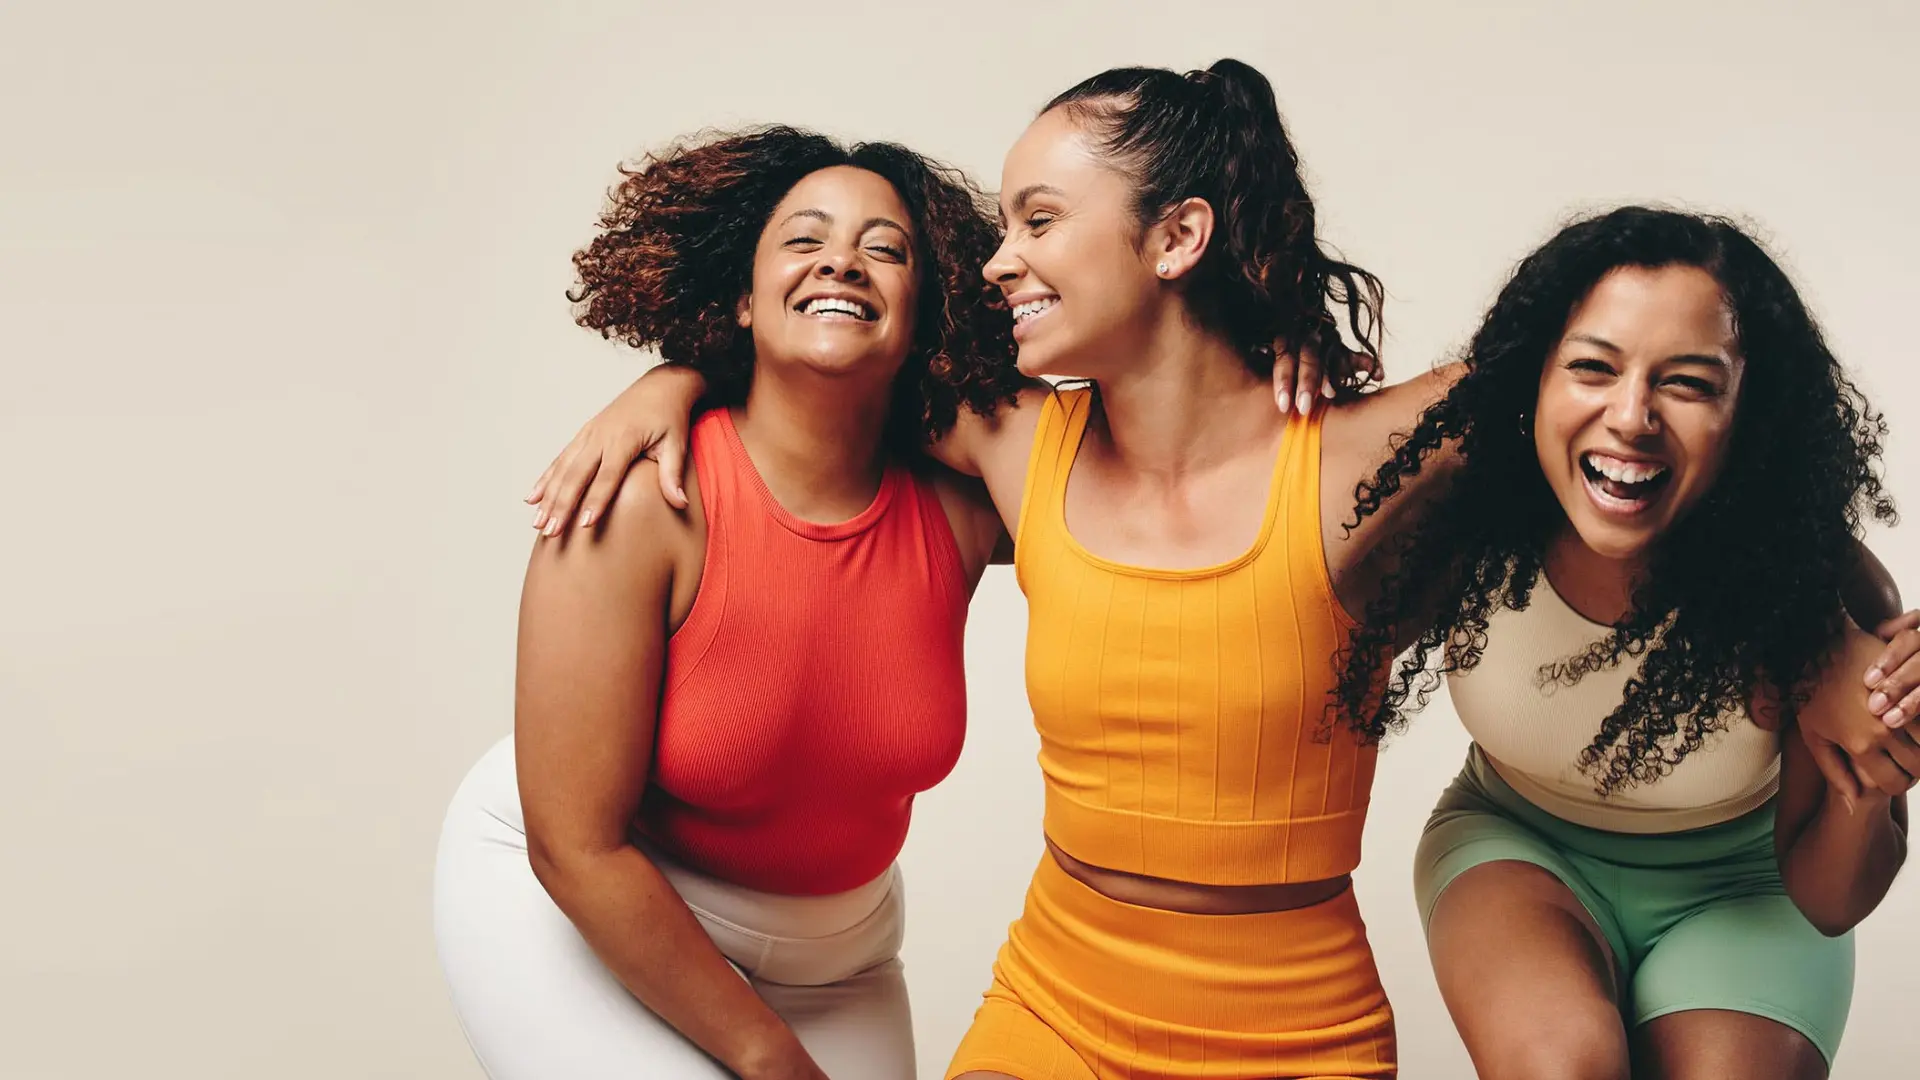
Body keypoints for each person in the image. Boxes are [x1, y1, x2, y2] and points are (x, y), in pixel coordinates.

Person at [521, 62, 1917, 1080]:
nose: (998, 262)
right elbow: (825, 357)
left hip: (1296, 1026)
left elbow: (1635, 420)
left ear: (1177, 238)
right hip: (1056, 1006)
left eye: (1038, 221)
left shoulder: (1368, 461)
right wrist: (671, 382)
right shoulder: (1010, 437)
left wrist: (1848, 629)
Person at [433, 126, 1034, 1080]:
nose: (842, 260)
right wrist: (765, 1056)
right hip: (586, 896)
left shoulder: (964, 509)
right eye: (804, 239)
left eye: (885, 249)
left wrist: (1267, 338)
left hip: (840, 957)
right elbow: (574, 846)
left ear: (928, 312)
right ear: (744, 299)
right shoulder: (643, 501)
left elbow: (1149, 450)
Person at [1331, 207, 1912, 1079]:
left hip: (1747, 889)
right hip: (1518, 848)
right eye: (1593, 368)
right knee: (1567, 1065)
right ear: (1532, 378)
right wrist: (1278, 366)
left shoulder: (1819, 590)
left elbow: (1830, 902)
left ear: (1749, 410)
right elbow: (1284, 563)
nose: (1631, 416)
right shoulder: (1466, 520)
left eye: (1689, 383)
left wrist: (1873, 779)